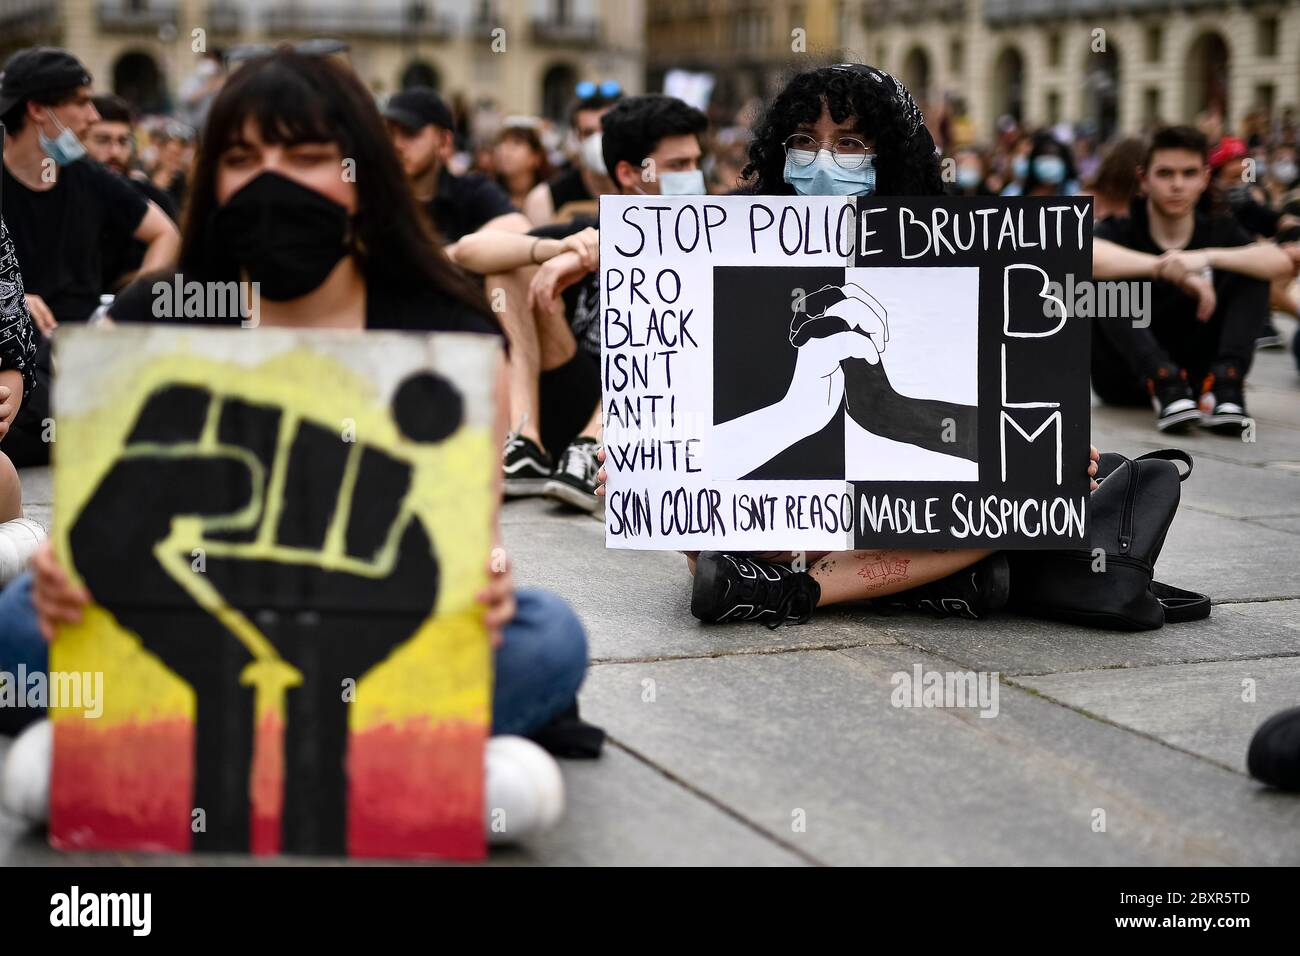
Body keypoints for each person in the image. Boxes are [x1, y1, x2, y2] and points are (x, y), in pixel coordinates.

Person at [0, 49, 594, 843]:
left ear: (361, 176)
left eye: (308, 157)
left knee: (547, 635)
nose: (272, 181)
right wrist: (65, 579)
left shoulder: (444, 332)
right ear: (212, 180)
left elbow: (467, 546)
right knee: (14, 620)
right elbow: (105, 533)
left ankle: (183, 768)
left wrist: (482, 589)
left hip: (370, 649)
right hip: (193, 640)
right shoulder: (158, 316)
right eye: (243, 158)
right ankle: (366, 773)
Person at [591, 63, 1101, 627]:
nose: (822, 159)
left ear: (893, 155)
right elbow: (689, 415)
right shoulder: (723, 249)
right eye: (804, 140)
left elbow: (1005, 425)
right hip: (769, 528)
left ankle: (795, 594)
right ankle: (910, 584)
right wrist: (646, 462)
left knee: (1041, 489)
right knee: (705, 541)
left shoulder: (957, 261)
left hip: (890, 520)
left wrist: (1051, 449)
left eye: (851, 142)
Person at [455, 94, 708, 512]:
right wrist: (560, 249)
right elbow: (468, 250)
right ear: (629, 173)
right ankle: (526, 441)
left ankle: (595, 445)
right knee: (508, 267)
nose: (694, 177)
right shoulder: (587, 230)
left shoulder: (717, 234)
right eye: (678, 165)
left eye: (697, 163)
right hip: (570, 391)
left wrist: (619, 251)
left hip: (653, 415)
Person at [0, 47, 181, 467]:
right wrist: (14, 299)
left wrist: (119, 318)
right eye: (81, 103)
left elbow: (164, 234)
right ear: (38, 109)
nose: (93, 116)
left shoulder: (87, 175)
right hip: (23, 355)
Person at [1091, 126, 1294, 433]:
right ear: (1144, 179)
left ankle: (1226, 383)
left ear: (1204, 179)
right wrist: (1168, 268)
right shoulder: (1123, 228)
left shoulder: (1218, 229)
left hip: (1197, 383)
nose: (1177, 185)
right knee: (1103, 284)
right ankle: (1162, 379)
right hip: (1125, 379)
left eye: (1188, 173)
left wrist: (1204, 258)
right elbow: (1083, 255)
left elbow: (1279, 263)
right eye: (1165, 174)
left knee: (1253, 269)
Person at [382, 86, 530, 251]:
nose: (396, 144)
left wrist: (457, 254)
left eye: (410, 132)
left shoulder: (470, 191)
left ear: (444, 141)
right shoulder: (375, 194)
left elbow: (518, 227)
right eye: (388, 133)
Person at [84, 94, 181, 292]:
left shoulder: (156, 199)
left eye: (123, 141)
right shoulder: (66, 197)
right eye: (103, 140)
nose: (115, 152)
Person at [521, 83, 620, 225]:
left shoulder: (644, 191)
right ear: (576, 137)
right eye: (588, 133)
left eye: (606, 130)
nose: (598, 140)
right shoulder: (546, 199)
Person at [492, 119, 552, 209]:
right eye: (503, 142)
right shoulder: (490, 196)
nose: (505, 150)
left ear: (535, 158)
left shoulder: (550, 195)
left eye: (517, 143)